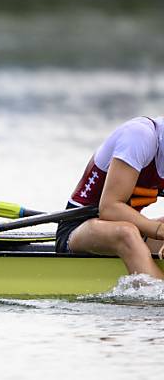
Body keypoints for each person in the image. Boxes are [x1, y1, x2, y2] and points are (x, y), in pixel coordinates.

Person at [56, 116, 164, 278]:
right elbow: (109, 209)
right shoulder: (139, 136)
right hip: (79, 227)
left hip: (131, 230)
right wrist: (159, 230)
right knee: (127, 233)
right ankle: (155, 297)